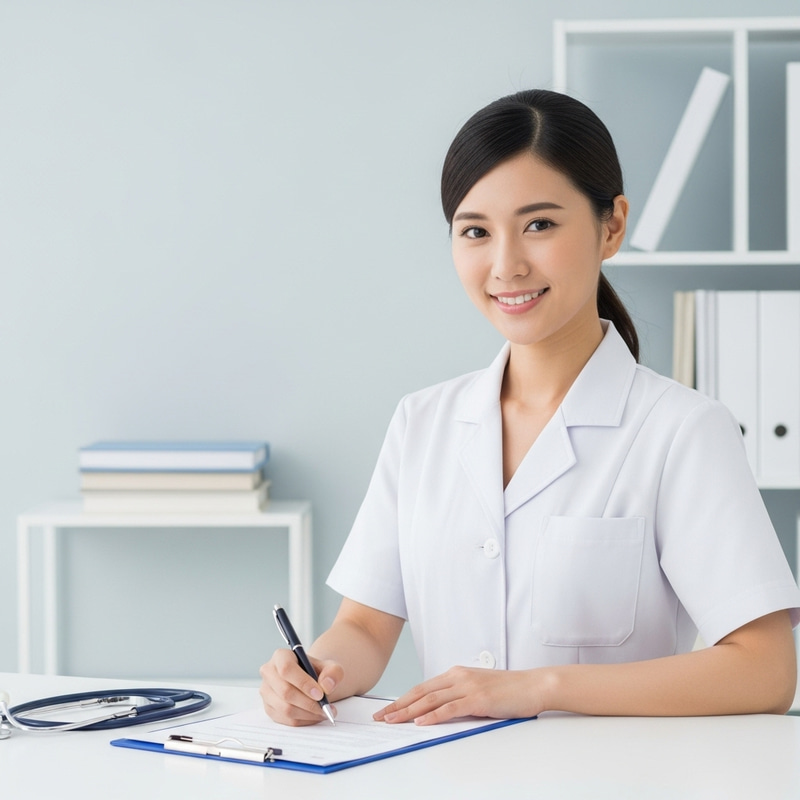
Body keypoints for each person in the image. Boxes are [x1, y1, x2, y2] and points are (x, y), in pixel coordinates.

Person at [260, 89, 800, 726]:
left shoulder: (682, 431)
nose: (506, 264)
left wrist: (539, 687)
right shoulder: (422, 423)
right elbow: (366, 625)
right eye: (476, 232)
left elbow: (765, 669)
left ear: (612, 226)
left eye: (539, 224)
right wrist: (317, 673)